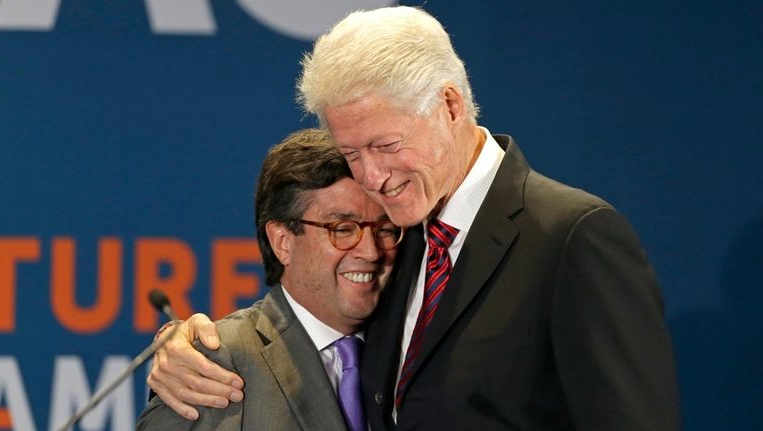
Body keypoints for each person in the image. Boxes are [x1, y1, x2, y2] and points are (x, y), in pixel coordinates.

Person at [148, 6, 681, 430]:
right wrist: (182, 346)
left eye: (385, 145)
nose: (372, 177)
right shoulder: (404, 239)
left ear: (450, 106)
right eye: (352, 153)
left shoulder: (571, 237)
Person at [137, 128, 403, 430]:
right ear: (282, 242)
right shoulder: (216, 364)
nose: (371, 251)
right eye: (342, 229)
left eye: (385, 229)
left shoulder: (413, 347)